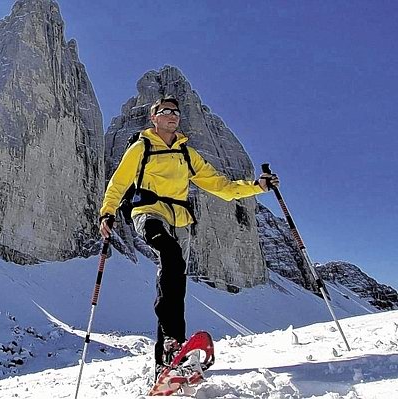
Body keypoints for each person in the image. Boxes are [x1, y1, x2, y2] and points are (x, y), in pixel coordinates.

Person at [97, 97, 278, 374]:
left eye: (176, 113)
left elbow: (222, 186)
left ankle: (169, 357)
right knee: (169, 255)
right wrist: (107, 212)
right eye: (165, 111)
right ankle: (172, 341)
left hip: (180, 220)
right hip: (148, 212)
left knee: (174, 280)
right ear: (153, 117)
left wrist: (257, 186)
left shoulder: (186, 154)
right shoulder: (141, 147)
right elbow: (119, 181)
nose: (172, 116)